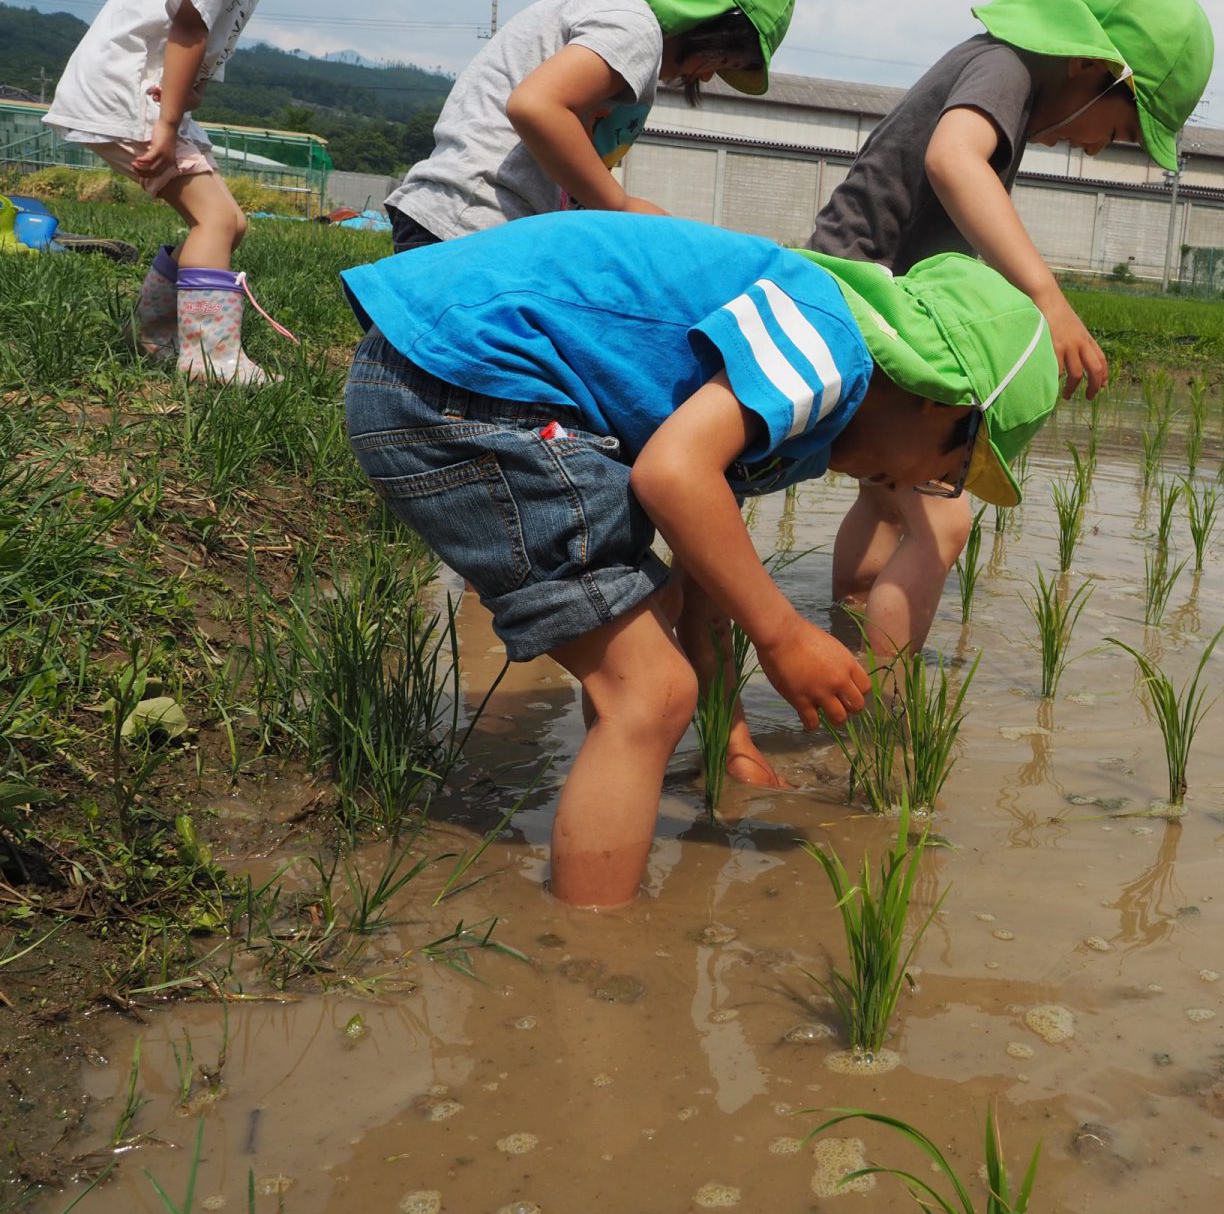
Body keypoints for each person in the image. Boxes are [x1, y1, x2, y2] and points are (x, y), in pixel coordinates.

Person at [339, 212, 1059, 908]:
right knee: (648, 693)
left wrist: (730, 739)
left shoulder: (796, 414)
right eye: (950, 473)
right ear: (942, 402)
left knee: (648, 636)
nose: (922, 487)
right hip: (467, 384)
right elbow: (671, 474)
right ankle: (592, 948)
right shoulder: (830, 349)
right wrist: (784, 635)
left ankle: (604, 849)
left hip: (443, 373)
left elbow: (705, 590)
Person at [809, 0, 1214, 662]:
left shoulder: (1005, 77)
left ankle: (848, 640)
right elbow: (952, 160)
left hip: (863, 297)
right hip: (870, 303)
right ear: (1089, 64)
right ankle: (886, 710)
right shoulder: (1007, 68)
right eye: (1118, 127)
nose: (1096, 147)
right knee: (943, 526)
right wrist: (1046, 298)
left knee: (884, 502)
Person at [43, 0, 369, 384]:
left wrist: (189, 98)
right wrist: (167, 125)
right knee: (214, 219)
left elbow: (201, 50)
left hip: (152, 101)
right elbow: (188, 26)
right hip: (127, 96)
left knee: (230, 223)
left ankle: (153, 337)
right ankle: (209, 357)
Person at [384, 0, 795, 251]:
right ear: (712, 20)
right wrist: (620, 204)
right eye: (722, 58)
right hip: (470, 227)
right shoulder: (635, 27)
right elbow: (536, 106)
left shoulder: (615, 14)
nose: (706, 75)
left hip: (463, 226)